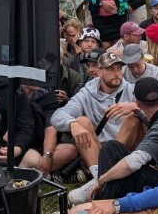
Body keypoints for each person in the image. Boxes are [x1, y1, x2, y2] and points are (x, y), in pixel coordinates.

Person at [50, 51, 138, 205]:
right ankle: (101, 179)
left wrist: (135, 106)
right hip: (99, 152)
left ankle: (101, 182)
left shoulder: (132, 90)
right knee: (81, 121)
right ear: (99, 72)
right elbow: (57, 116)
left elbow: (156, 110)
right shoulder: (87, 93)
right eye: (111, 69)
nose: (117, 73)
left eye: (119, 69)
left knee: (133, 116)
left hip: (125, 149)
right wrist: (73, 124)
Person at [91, 78, 158, 201]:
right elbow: (155, 121)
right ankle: (102, 197)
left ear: (137, 101)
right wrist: (137, 111)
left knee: (125, 172)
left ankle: (99, 203)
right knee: (111, 147)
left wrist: (101, 180)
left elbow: (133, 162)